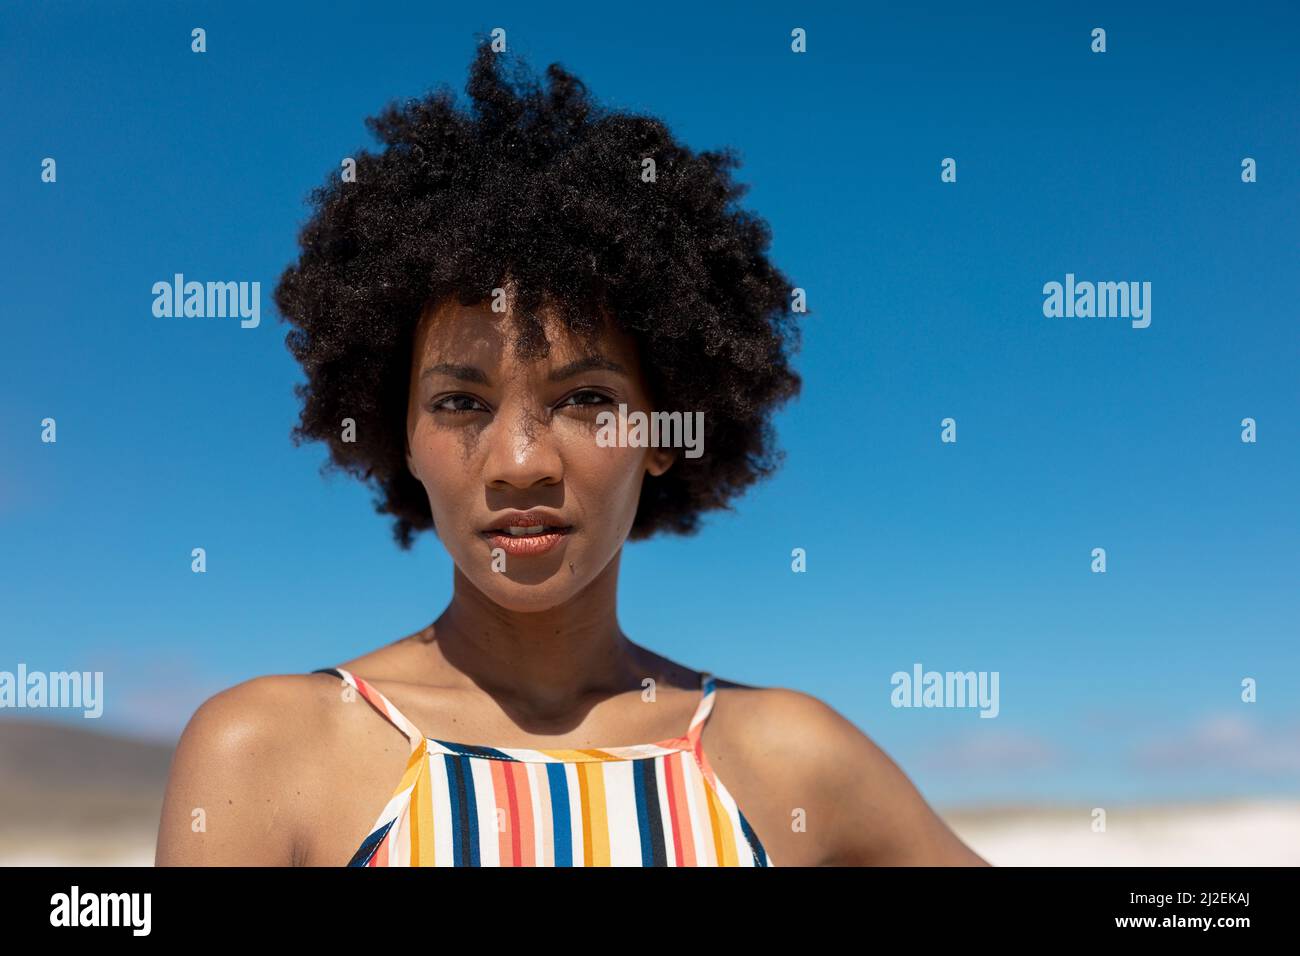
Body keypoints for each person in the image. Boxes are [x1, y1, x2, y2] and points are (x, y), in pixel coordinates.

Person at [155, 38, 987, 867]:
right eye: (459, 402)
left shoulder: (793, 760)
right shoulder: (264, 754)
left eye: (586, 400)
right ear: (399, 434)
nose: (521, 462)